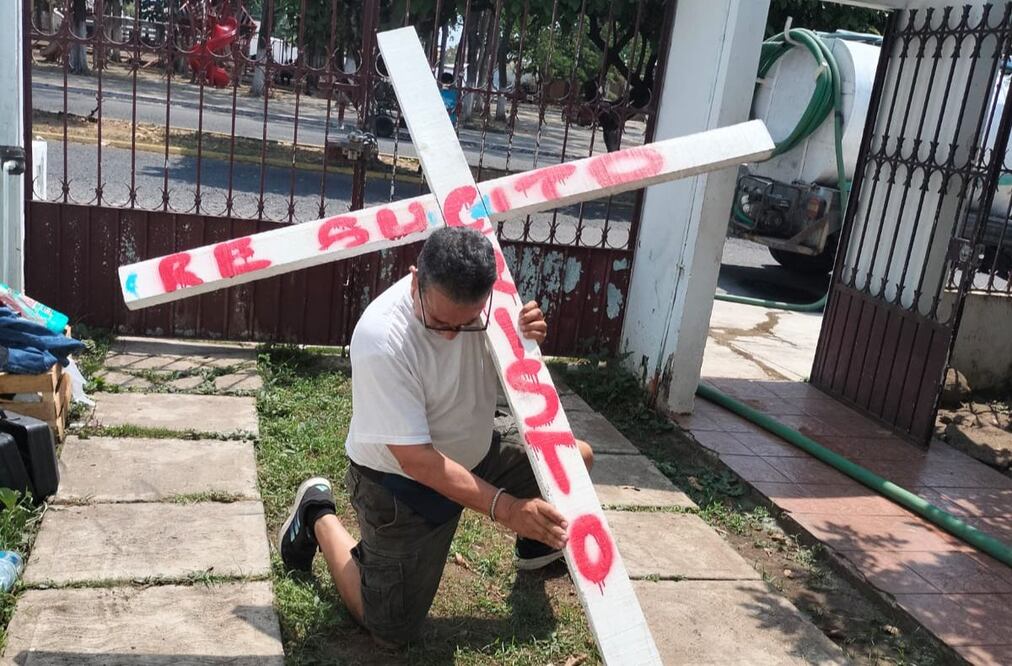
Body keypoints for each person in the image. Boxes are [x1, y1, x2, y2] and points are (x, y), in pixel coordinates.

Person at [277, 226, 593, 647]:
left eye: (464, 324)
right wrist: (507, 507)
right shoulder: (381, 338)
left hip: (476, 446)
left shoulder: (490, 306)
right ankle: (317, 514)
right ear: (414, 280)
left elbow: (515, 363)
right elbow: (418, 461)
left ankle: (535, 548)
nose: (449, 335)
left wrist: (524, 336)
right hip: (401, 484)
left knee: (577, 461)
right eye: (439, 321)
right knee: (389, 629)